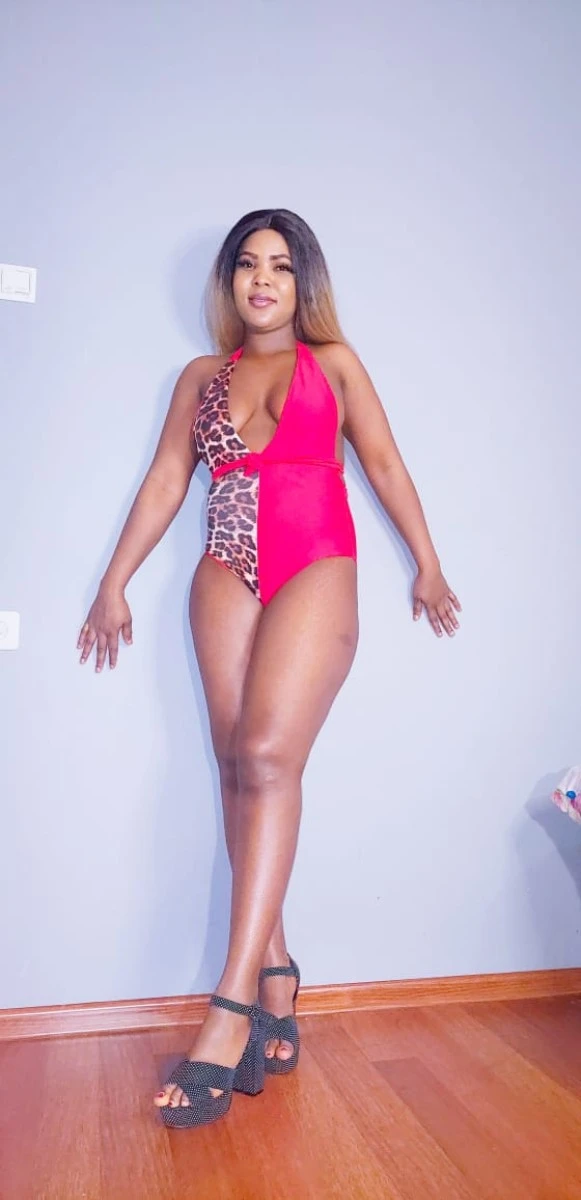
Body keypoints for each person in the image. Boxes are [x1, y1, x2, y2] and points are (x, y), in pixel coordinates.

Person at [77, 208, 461, 1129]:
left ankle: (232, 1005)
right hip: (225, 565)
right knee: (235, 767)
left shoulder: (334, 363)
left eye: (281, 266)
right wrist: (112, 582)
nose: (261, 279)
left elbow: (382, 462)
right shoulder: (200, 378)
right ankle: (278, 970)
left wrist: (427, 562)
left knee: (267, 756)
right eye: (247, 264)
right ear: (229, 282)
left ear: (303, 282)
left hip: (315, 561)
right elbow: (167, 480)